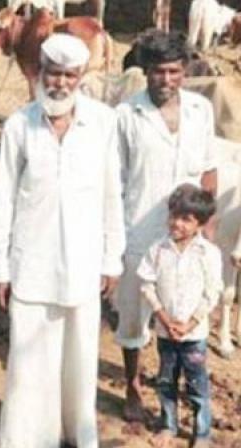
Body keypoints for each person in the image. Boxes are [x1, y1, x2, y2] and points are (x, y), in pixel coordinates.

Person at [0, 34, 125, 448]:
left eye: (69, 75)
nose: (60, 84)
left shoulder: (102, 122)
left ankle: (78, 437)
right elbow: (3, 198)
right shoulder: (19, 125)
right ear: (40, 74)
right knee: (28, 362)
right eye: (53, 74)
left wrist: (111, 259)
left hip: (83, 261)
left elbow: (111, 194)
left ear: (81, 77)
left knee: (80, 360)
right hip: (32, 262)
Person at [114, 30, 218, 422]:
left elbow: (209, 168)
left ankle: (182, 390)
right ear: (146, 72)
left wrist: (206, 226)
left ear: (184, 71)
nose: (167, 80)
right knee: (133, 313)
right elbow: (116, 179)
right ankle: (132, 384)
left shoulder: (200, 110)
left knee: (185, 308)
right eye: (158, 72)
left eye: (174, 72)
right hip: (140, 229)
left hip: (190, 234)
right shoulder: (127, 114)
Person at [137, 184, 222, 448]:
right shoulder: (158, 250)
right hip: (165, 333)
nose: (177, 223)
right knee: (165, 382)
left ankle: (203, 433)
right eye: (174, 215)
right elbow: (146, 284)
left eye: (186, 219)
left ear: (200, 224)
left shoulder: (208, 253)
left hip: (193, 335)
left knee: (197, 385)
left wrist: (190, 323)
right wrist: (163, 318)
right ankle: (168, 426)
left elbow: (212, 292)